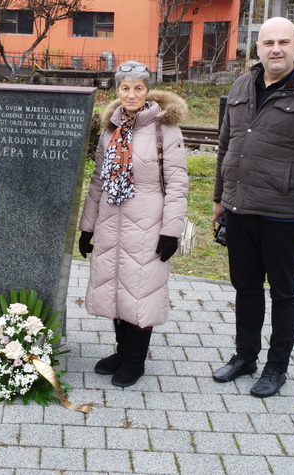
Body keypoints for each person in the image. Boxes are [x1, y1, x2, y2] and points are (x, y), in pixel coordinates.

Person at [211, 17, 294, 397]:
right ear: (257, 48)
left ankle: (276, 367)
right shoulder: (241, 84)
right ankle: (245, 357)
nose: (276, 49)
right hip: (240, 210)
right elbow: (226, 147)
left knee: (283, 292)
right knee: (246, 288)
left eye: (284, 41)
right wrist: (220, 199)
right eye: (268, 42)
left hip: (284, 214)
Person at [78, 61, 189, 387]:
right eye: (125, 88)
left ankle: (136, 360)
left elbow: (178, 183)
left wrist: (171, 230)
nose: (131, 94)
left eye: (138, 88)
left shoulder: (164, 129)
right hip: (112, 221)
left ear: (147, 91)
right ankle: (122, 351)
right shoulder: (110, 130)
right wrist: (88, 227)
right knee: (116, 288)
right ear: (117, 91)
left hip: (148, 223)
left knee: (141, 291)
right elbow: (98, 180)